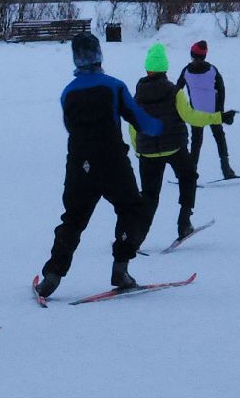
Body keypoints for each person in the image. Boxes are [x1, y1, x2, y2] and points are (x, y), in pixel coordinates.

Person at [35, 31, 163, 299]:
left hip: (79, 164)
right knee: (131, 209)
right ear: (99, 56)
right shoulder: (114, 86)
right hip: (112, 161)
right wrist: (162, 127)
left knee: (73, 219)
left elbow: (70, 128)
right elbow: (140, 121)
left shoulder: (67, 93)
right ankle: (121, 268)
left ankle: (53, 275)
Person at [131, 42, 233, 247]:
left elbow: (133, 125)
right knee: (188, 178)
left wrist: (138, 149)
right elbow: (191, 117)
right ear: (165, 68)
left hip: (148, 153)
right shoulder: (174, 91)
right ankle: (184, 222)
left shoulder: (138, 94)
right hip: (175, 148)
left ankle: (135, 238)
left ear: (147, 68)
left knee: (149, 196)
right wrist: (219, 117)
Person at [179, 40, 238, 180]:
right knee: (219, 138)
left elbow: (177, 90)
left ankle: (191, 172)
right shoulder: (212, 70)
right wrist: (221, 112)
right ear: (205, 56)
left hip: (196, 114)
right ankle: (226, 169)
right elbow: (221, 89)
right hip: (214, 113)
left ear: (192, 54)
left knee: (196, 143)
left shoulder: (186, 71)